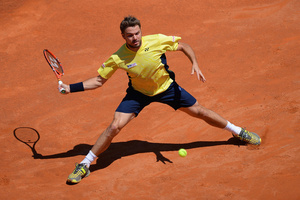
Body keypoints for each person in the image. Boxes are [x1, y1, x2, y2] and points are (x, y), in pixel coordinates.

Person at [62, 16, 261, 184]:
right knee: (114, 127)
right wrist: (70, 88)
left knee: (200, 112)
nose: (135, 38)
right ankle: (85, 165)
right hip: (138, 94)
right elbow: (98, 81)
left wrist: (195, 63)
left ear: (141, 31)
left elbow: (183, 46)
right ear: (123, 36)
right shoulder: (118, 57)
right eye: (130, 35)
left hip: (167, 88)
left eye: (137, 33)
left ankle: (239, 132)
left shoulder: (155, 40)